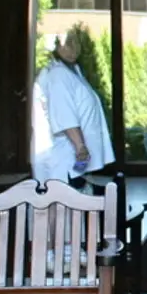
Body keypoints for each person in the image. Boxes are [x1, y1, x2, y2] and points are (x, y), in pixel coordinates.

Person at [31, 30, 114, 182]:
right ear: (57, 46)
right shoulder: (57, 75)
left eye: (77, 43)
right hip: (64, 157)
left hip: (69, 157)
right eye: (68, 43)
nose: (73, 48)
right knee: (62, 201)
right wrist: (80, 147)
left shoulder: (71, 71)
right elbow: (64, 115)